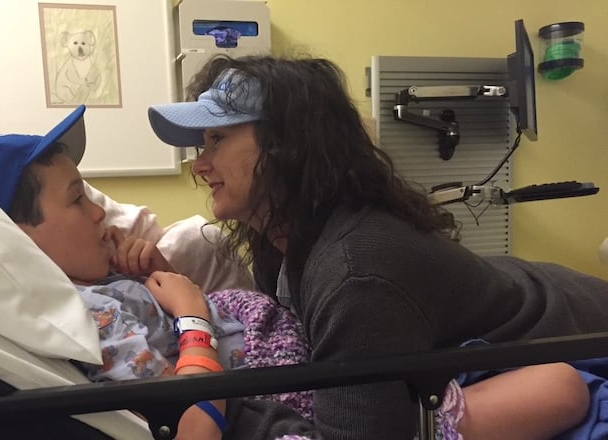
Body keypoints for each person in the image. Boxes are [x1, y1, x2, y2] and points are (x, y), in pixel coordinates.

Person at [146, 54, 608, 440]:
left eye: (217, 140)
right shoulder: (285, 237)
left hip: (578, 327)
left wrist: (229, 403)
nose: (201, 165)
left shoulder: (356, 272)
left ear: (287, 146)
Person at [0, 105, 312, 440]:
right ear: (13, 237)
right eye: (77, 199)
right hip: (269, 407)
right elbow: (192, 427)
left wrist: (158, 277)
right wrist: (191, 315)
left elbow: (204, 327)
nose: (98, 214)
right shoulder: (87, 316)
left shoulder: (105, 285)